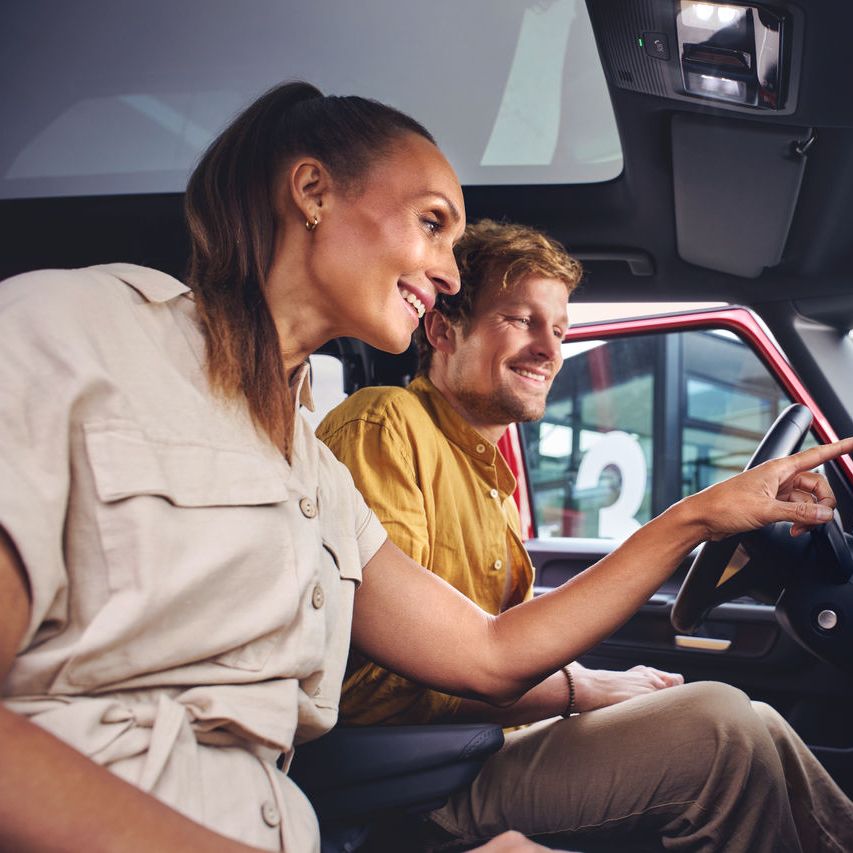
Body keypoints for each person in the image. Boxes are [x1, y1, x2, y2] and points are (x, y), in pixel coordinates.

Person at [0, 82, 849, 853]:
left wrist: (700, 514)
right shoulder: (76, 331)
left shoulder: (309, 471)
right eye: (432, 222)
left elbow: (485, 650)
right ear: (312, 193)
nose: (446, 273)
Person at [318, 218, 853, 851]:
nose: (550, 349)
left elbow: (496, 634)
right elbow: (386, 680)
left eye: (561, 330)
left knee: (755, 719)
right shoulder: (385, 426)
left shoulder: (491, 478)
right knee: (723, 728)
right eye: (521, 320)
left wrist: (586, 682)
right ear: (442, 329)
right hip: (421, 780)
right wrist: (580, 687)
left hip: (483, 748)